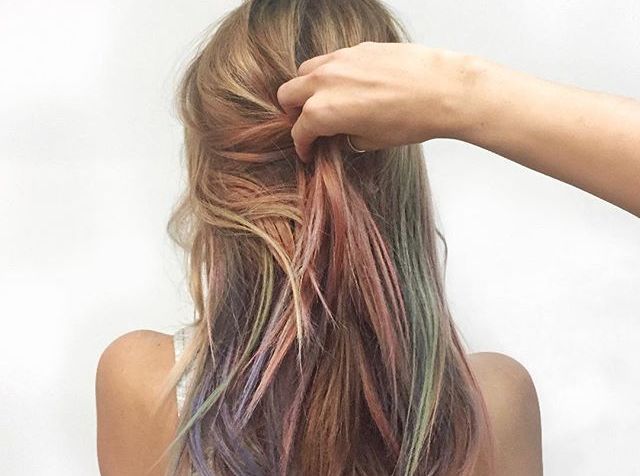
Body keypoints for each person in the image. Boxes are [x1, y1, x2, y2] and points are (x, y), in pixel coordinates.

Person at [95, 2, 638, 476]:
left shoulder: (145, 386)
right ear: (402, 176)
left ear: (212, 186)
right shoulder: (494, 406)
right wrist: (463, 94)